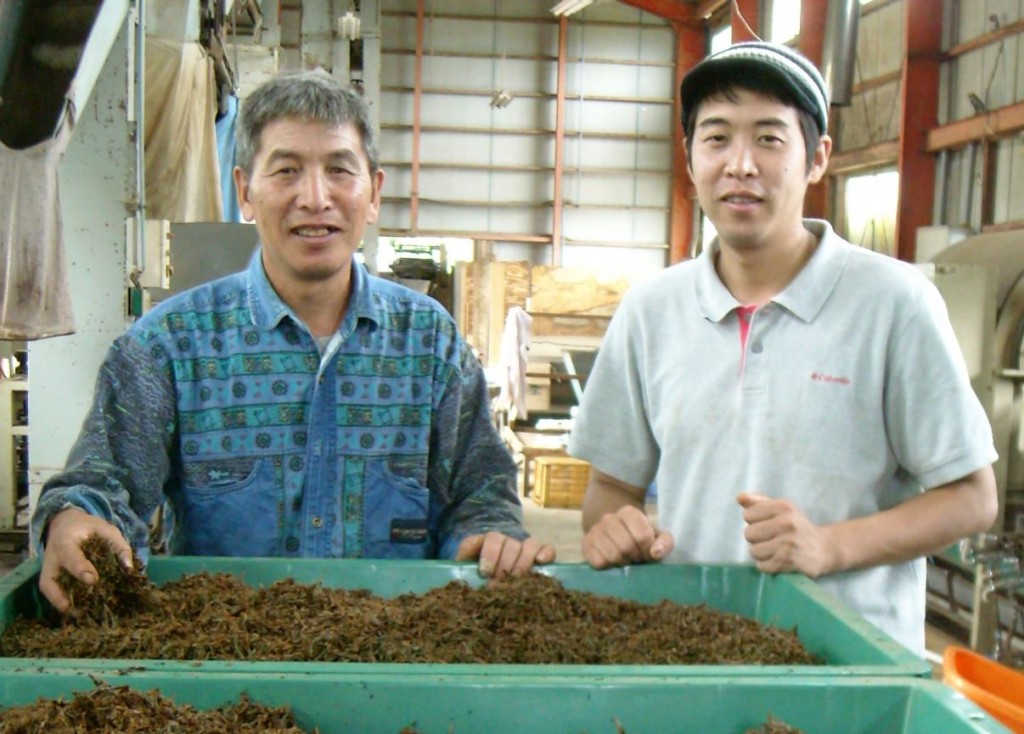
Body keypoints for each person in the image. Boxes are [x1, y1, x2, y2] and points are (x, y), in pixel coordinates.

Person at [32, 69, 554, 613]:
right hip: (224, 665)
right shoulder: (169, 347)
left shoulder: (430, 344)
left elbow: (480, 492)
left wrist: (488, 535)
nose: (315, 198)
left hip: (397, 658)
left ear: (373, 194)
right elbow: (102, 482)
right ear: (245, 192)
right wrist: (74, 518)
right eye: (286, 170)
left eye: (338, 171)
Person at [568, 42, 998, 655]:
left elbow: (972, 498)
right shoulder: (651, 311)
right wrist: (614, 531)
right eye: (716, 138)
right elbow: (610, 492)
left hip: (850, 662)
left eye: (769, 139)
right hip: (691, 655)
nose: (740, 163)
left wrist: (830, 545)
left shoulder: (893, 302)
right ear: (690, 159)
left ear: (816, 158)